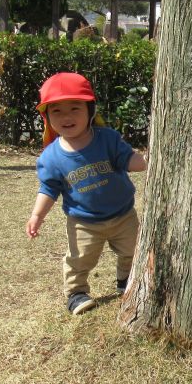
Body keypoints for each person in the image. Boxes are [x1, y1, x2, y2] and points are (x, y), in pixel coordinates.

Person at [26, 72, 148, 315]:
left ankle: (126, 279)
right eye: (57, 111)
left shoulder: (107, 139)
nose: (66, 117)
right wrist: (37, 216)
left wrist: (147, 161)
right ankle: (76, 293)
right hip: (84, 222)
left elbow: (128, 160)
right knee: (79, 259)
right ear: (47, 116)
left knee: (133, 250)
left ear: (90, 111)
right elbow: (48, 189)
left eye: (75, 108)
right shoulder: (51, 157)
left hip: (123, 214)